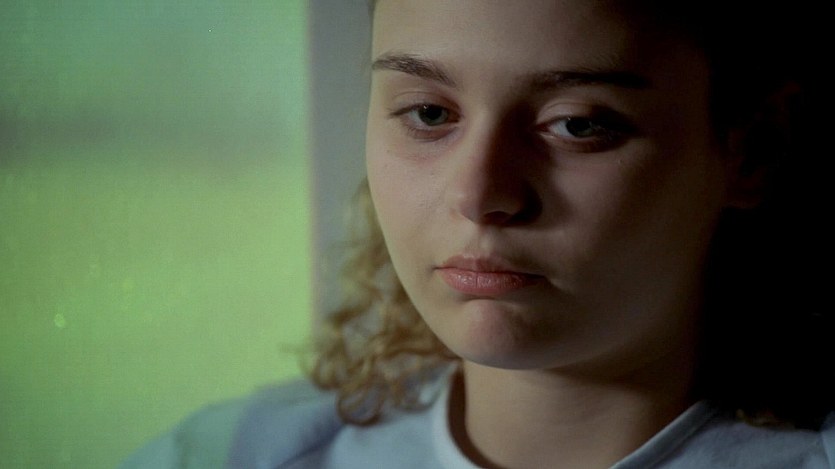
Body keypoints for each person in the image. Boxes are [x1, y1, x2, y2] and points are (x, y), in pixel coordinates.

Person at [121, 1, 834, 467]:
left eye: (578, 124)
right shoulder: (230, 455)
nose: (478, 194)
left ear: (752, 150)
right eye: (430, 114)